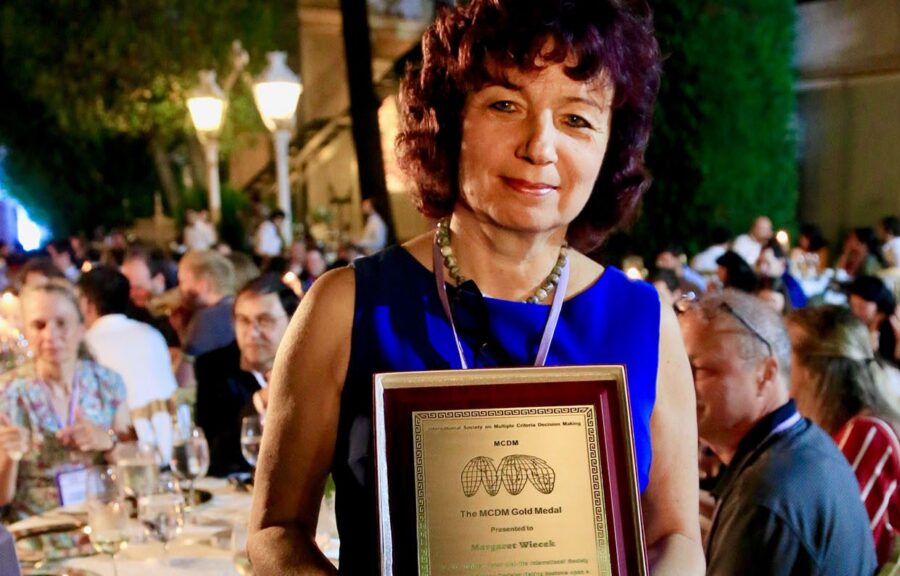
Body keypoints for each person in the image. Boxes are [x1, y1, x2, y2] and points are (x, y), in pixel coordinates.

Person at [248, 0, 704, 573]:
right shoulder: (349, 305)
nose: (539, 147)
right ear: (449, 121)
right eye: (505, 104)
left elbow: (677, 536)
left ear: (610, 147)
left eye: (577, 119)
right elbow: (274, 531)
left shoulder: (644, 320)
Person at [677, 290, 875, 575]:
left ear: (765, 374)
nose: (681, 382)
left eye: (698, 369)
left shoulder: (764, 495)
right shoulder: (808, 442)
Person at [787, 305, 900, 575]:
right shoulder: (859, 424)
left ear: (813, 374)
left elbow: (837, 547)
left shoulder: (866, 434)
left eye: (784, 355)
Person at [0, 281, 131, 523]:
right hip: (36, 536)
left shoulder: (107, 384)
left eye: (62, 323)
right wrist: (8, 457)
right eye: (39, 325)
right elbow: (2, 499)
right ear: (26, 334)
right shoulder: (8, 393)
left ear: (81, 329)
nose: (50, 335)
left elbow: (137, 479)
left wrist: (108, 442)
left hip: (101, 524)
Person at [195, 275, 299, 477]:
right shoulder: (214, 368)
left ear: (293, 320)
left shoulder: (311, 366)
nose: (252, 333)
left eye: (264, 320)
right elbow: (214, 457)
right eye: (243, 320)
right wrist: (260, 401)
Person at [77, 267, 177, 462]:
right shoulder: (152, 334)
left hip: (126, 455)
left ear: (87, 304)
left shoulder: (86, 345)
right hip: (171, 446)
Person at [177, 250, 236, 357]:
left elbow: (187, 369)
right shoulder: (239, 308)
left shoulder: (206, 319)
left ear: (202, 285)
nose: (180, 289)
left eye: (183, 281)